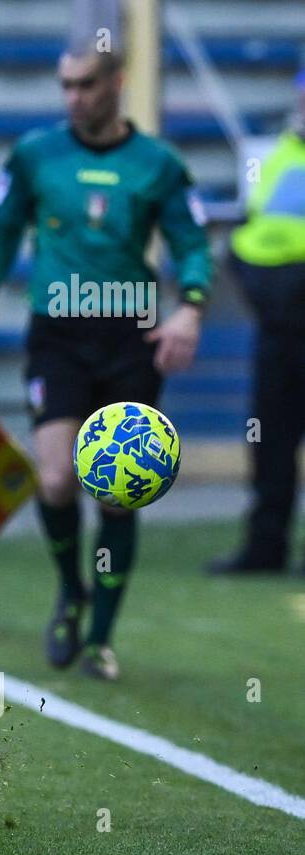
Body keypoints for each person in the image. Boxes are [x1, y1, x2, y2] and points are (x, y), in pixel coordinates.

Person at [0, 49, 212, 680]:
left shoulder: (158, 164)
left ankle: (100, 637)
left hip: (132, 338)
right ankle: (72, 590)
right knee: (55, 480)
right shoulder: (35, 155)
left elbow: (192, 241)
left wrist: (192, 309)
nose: (73, 97)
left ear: (117, 83)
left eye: (86, 85)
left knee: (121, 494)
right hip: (59, 337)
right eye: (65, 85)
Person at [208, 69, 305, 575]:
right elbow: (250, 229)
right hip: (279, 329)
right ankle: (265, 547)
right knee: (270, 441)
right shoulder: (276, 158)